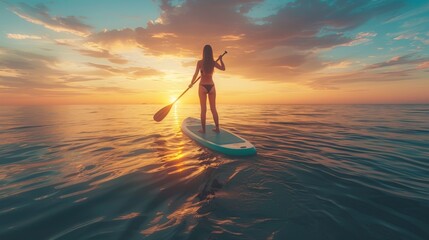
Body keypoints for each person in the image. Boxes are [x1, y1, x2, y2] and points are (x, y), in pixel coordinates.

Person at [189, 45, 225, 133]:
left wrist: (191, 83)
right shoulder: (213, 62)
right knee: (213, 109)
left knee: (203, 109)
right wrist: (220, 59)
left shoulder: (200, 62)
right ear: (211, 53)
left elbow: (195, 74)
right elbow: (223, 68)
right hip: (211, 86)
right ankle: (217, 128)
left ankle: (203, 129)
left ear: (203, 53)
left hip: (202, 86)